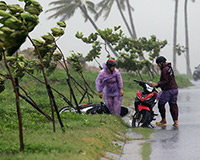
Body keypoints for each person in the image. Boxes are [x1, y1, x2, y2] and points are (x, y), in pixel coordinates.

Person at [152, 56, 179, 127]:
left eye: (158, 64)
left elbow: (165, 81)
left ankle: (163, 120)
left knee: (161, 104)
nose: (158, 65)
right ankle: (176, 122)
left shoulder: (164, 70)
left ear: (161, 63)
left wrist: (157, 84)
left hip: (168, 90)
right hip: (175, 89)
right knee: (173, 105)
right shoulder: (169, 68)